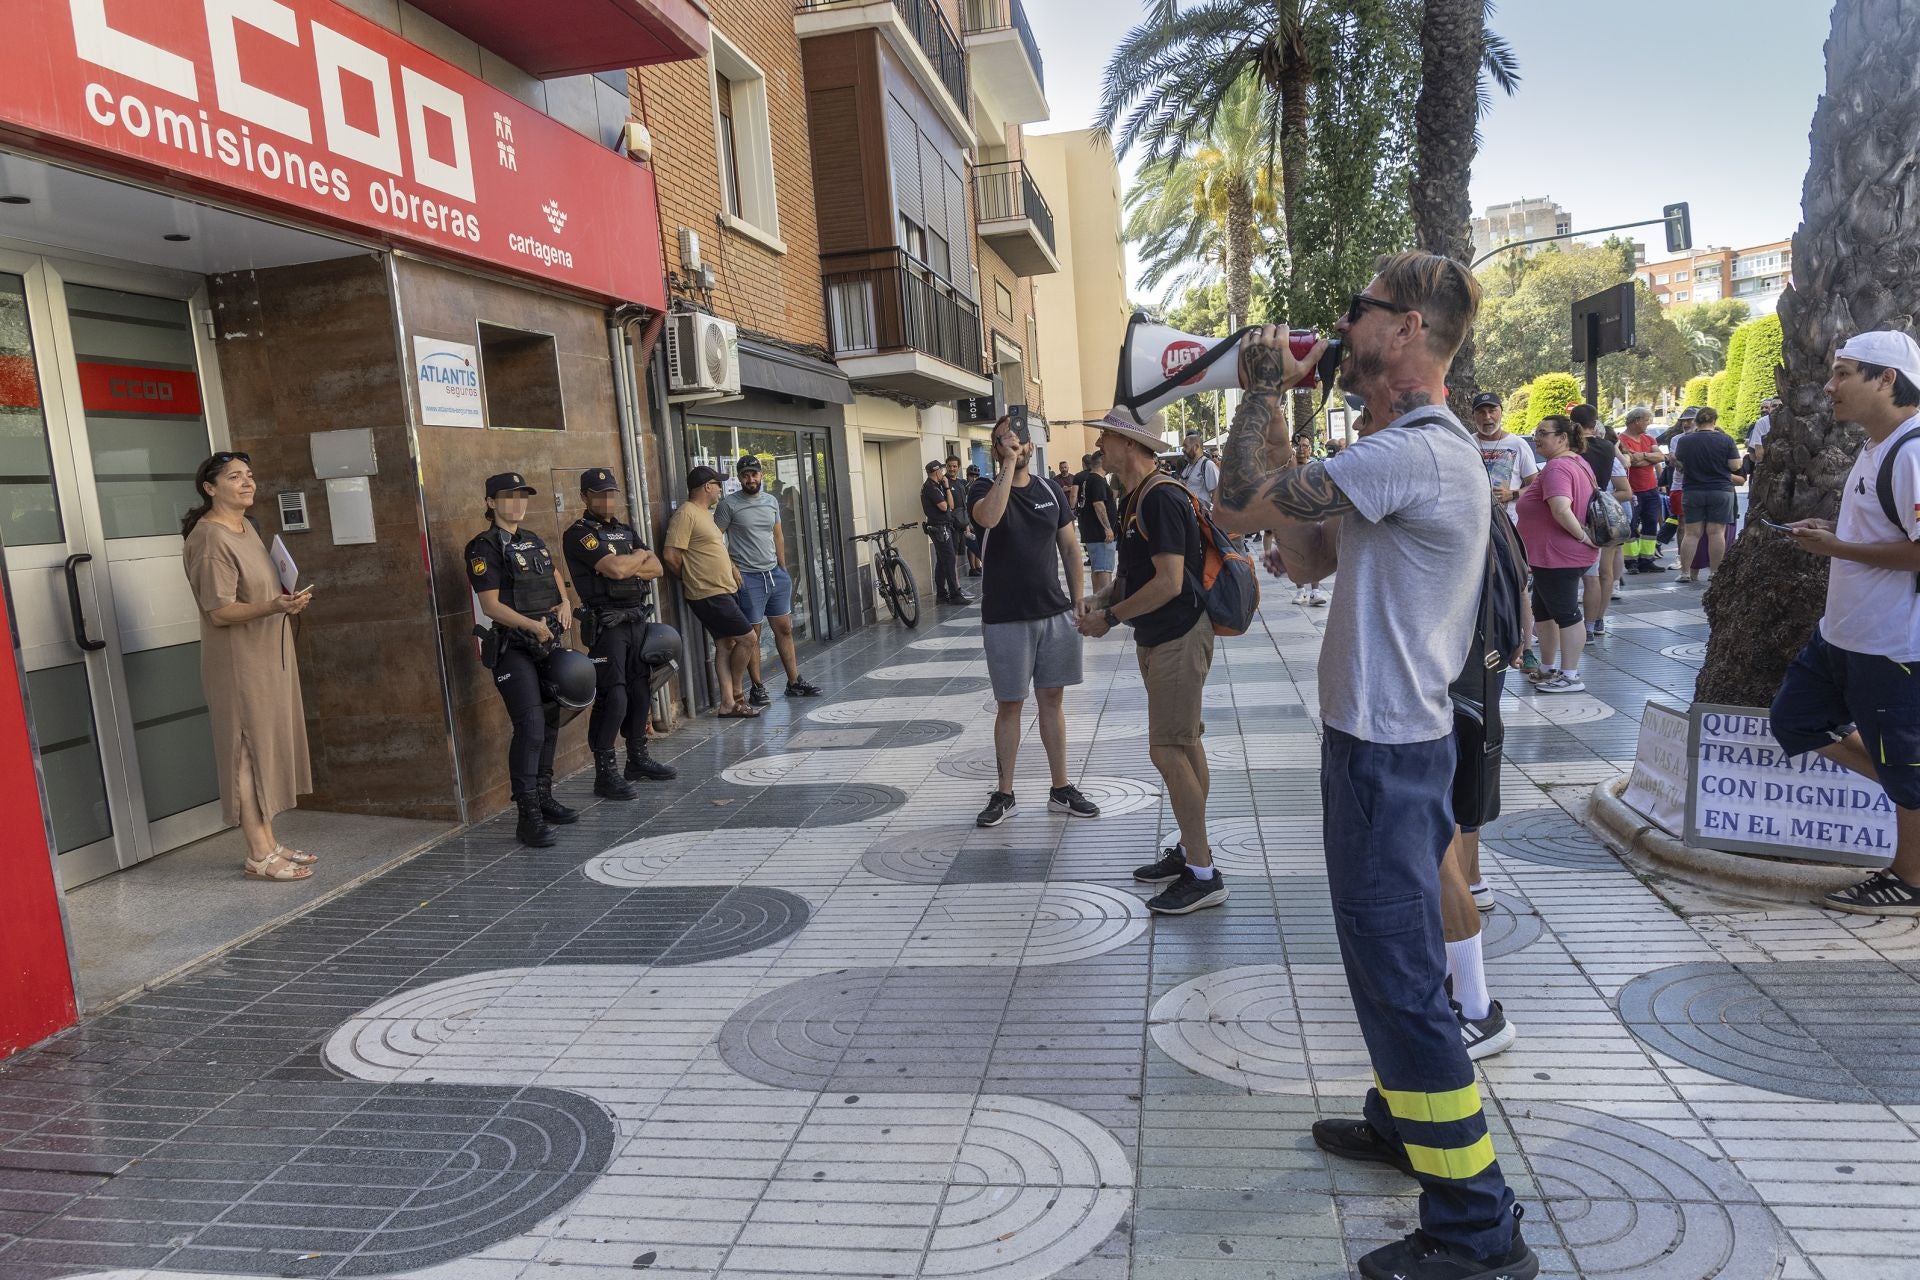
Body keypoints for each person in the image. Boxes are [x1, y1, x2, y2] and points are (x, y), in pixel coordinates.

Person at [1212, 251, 1534, 1280]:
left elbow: (1240, 505)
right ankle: (1406, 1120)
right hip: (1391, 748)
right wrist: (1282, 425)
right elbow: (1306, 555)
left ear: (1407, 328)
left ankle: (1480, 1227)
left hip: (1388, 757)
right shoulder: (1404, 456)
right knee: (1391, 967)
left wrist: (1264, 385)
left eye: (1358, 315)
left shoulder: (1421, 450)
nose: (1343, 333)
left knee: (1398, 981)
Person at [1773, 330, 1920, 915]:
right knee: (1796, 720)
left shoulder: (1912, 451)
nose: (1829, 386)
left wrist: (1837, 547)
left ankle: (1908, 881)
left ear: (1886, 379)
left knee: (1908, 768)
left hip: (1891, 645)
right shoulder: (1875, 446)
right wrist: (1833, 536)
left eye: (1843, 373)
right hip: (1842, 634)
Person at [1076, 412, 1223, 915]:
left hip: (1179, 635)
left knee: (1167, 749)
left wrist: (1111, 618)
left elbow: (1170, 582)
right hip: (1162, 636)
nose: (1098, 444)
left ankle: (1203, 873)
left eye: (1105, 437)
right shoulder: (1134, 497)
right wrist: (1102, 598)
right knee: (1184, 742)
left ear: (1128, 444)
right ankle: (1189, 850)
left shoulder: (1160, 497)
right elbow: (1135, 576)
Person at [181, 451, 315, 881]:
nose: (247, 483)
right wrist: (271, 605)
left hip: (264, 654)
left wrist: (285, 602)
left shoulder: (246, 529)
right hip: (238, 663)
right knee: (244, 753)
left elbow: (260, 590)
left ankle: (270, 842)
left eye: (250, 475)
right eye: (235, 477)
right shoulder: (209, 538)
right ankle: (258, 854)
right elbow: (219, 611)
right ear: (209, 487)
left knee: (264, 747)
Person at [969, 414, 1099, 827]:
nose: (1013, 447)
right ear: (996, 449)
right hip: (1006, 617)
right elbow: (988, 518)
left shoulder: (1049, 490)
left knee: (1052, 702)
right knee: (1010, 706)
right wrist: (1006, 467)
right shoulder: (982, 488)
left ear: (1030, 446)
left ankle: (1060, 788)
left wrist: (1078, 600)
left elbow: (1070, 547)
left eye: (1018, 441)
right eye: (1003, 442)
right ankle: (1004, 792)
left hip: (1054, 613)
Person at [466, 472, 582, 848]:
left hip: (543, 641)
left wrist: (564, 601)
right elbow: (490, 605)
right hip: (511, 647)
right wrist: (532, 626)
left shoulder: (530, 539)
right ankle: (527, 815)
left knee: (549, 721)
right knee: (530, 726)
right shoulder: (483, 548)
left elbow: (553, 573)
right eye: (508, 497)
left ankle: (545, 798)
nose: (517, 503)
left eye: (522, 496)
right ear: (490, 502)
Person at [563, 467, 678, 799]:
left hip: (635, 620)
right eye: (598, 494)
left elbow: (656, 568)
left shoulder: (624, 530)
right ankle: (605, 772)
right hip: (606, 624)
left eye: (611, 493)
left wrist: (636, 558)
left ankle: (637, 760)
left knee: (641, 691)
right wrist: (639, 556)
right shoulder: (579, 533)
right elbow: (614, 569)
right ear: (585, 497)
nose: (606, 499)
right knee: (613, 697)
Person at [716, 456, 823, 704]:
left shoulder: (771, 501)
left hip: (774, 574)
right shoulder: (728, 505)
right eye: (745, 475)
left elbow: (778, 535)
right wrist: (731, 567)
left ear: (761, 475)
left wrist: (783, 567)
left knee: (784, 629)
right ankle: (757, 686)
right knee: (752, 634)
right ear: (739, 477)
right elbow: (715, 540)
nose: (750, 479)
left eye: (754, 474)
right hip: (748, 577)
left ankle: (794, 682)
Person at [664, 466, 759, 719]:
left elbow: (712, 549)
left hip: (722, 589)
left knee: (725, 644)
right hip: (708, 593)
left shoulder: (705, 513)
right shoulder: (686, 514)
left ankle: (727, 703)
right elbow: (671, 556)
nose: (720, 489)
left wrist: (732, 567)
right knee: (748, 638)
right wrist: (693, 579)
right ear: (707, 486)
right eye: (718, 484)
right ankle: (738, 695)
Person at [1516, 414, 1597, 694]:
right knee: (1544, 611)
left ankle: (1571, 674)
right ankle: (1548, 668)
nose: (1537, 438)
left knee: (1566, 613)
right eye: (1536, 432)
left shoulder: (1557, 468)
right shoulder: (1576, 463)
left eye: (1543, 433)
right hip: (1549, 556)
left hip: (1559, 556)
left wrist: (1582, 536)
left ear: (1562, 438)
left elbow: (1561, 508)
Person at [1570, 403, 1629, 636]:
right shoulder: (1607, 448)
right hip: (1602, 516)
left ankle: (1571, 623)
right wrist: (1600, 497)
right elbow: (1626, 489)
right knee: (1602, 574)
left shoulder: (1568, 449)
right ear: (1595, 424)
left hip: (1573, 512)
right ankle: (1597, 621)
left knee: (1574, 574)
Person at [1673, 405, 1744, 583]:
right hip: (1720, 490)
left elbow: (1679, 465)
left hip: (1693, 490)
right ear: (1714, 421)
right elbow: (1735, 465)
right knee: (1716, 533)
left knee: (1691, 533)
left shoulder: (1685, 441)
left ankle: (1685, 572)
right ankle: (1714, 572)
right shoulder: (1726, 440)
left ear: (1696, 421)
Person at [1618, 406, 1670, 573]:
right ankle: (1631, 562)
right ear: (1636, 421)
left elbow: (1661, 457)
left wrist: (1643, 456)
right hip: (1631, 490)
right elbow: (1631, 461)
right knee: (1631, 525)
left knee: (1650, 524)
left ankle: (1646, 560)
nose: (1648, 423)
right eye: (1647, 420)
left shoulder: (1649, 439)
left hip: (1651, 489)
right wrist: (1647, 458)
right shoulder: (1621, 440)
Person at [1288, 433, 1331, 605]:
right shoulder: (1289, 468)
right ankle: (1300, 592)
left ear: (1311, 449)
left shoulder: (1317, 467)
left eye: (1305, 446)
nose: (1301, 449)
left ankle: (1315, 592)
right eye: (1298, 446)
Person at [921, 459, 971, 605]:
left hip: (942, 527)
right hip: (940, 528)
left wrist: (947, 488)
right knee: (949, 561)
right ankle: (955, 594)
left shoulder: (937, 486)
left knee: (942, 562)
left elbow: (952, 505)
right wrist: (947, 489)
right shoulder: (931, 487)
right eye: (941, 470)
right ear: (936, 471)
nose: (943, 473)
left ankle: (942, 595)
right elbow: (945, 507)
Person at [1076, 449, 1119, 597]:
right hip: (1101, 536)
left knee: (1098, 570)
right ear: (1103, 461)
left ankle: (1097, 602)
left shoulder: (1090, 479)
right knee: (1104, 572)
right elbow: (1098, 504)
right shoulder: (1097, 480)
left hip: (1093, 534)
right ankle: (1104, 605)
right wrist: (1108, 528)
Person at [1178, 430, 1219, 509]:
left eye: (1185, 446)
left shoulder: (1208, 465)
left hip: (1200, 516)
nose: (1183, 450)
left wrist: (1210, 514)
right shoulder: (1188, 466)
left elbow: (1216, 492)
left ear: (1196, 447)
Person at [958, 459, 984, 576]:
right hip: (967, 519)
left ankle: (978, 565)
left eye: (976, 476)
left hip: (978, 518)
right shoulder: (964, 486)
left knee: (977, 541)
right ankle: (972, 568)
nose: (973, 478)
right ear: (967, 475)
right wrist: (966, 523)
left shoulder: (979, 487)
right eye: (971, 475)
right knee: (971, 542)